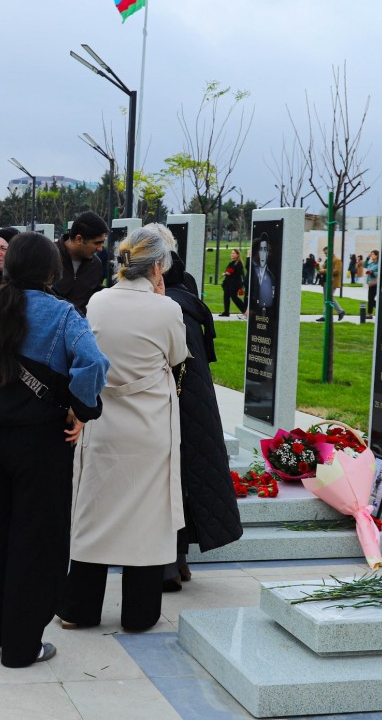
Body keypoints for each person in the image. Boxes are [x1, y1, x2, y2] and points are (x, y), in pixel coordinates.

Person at [0, 232, 108, 668]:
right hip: (41, 442)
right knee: (35, 543)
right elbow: (94, 363)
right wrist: (80, 408)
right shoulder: (63, 314)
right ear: (51, 270)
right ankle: (22, 646)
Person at [59, 225, 187, 633]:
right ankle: (139, 613)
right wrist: (161, 303)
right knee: (147, 523)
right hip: (148, 427)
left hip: (104, 422)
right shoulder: (167, 309)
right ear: (158, 268)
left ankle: (79, 608)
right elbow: (177, 356)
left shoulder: (98, 301)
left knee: (94, 513)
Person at [162, 253, 243, 591]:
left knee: (170, 483)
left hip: (173, 407)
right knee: (184, 481)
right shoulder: (188, 302)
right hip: (194, 405)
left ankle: (169, 565)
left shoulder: (168, 308)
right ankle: (178, 561)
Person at [52, 211, 108, 315]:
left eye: (102, 242)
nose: (100, 248)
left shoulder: (96, 264)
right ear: (79, 239)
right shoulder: (48, 257)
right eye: (97, 243)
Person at [250, 235, 276, 314]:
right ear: (256, 251)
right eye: (262, 249)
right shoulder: (252, 269)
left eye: (267, 251)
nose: (265, 253)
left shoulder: (271, 275)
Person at [220, 248, 246, 318]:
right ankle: (226, 312)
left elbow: (238, 274)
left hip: (234, 284)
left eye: (234, 253)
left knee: (234, 297)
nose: (232, 254)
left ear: (237, 255)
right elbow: (228, 271)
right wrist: (226, 273)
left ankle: (245, 310)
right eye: (232, 253)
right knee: (226, 297)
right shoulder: (231, 263)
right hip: (228, 283)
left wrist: (228, 274)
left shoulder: (239, 264)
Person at [364, 250, 380, 315]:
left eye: (373, 254)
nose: (371, 255)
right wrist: (367, 258)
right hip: (370, 283)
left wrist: (372, 272)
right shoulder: (371, 264)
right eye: (371, 254)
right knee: (370, 299)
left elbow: (379, 273)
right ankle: (378, 308)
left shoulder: (378, 264)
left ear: (377, 256)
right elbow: (365, 265)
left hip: (375, 283)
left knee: (371, 298)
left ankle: (370, 313)